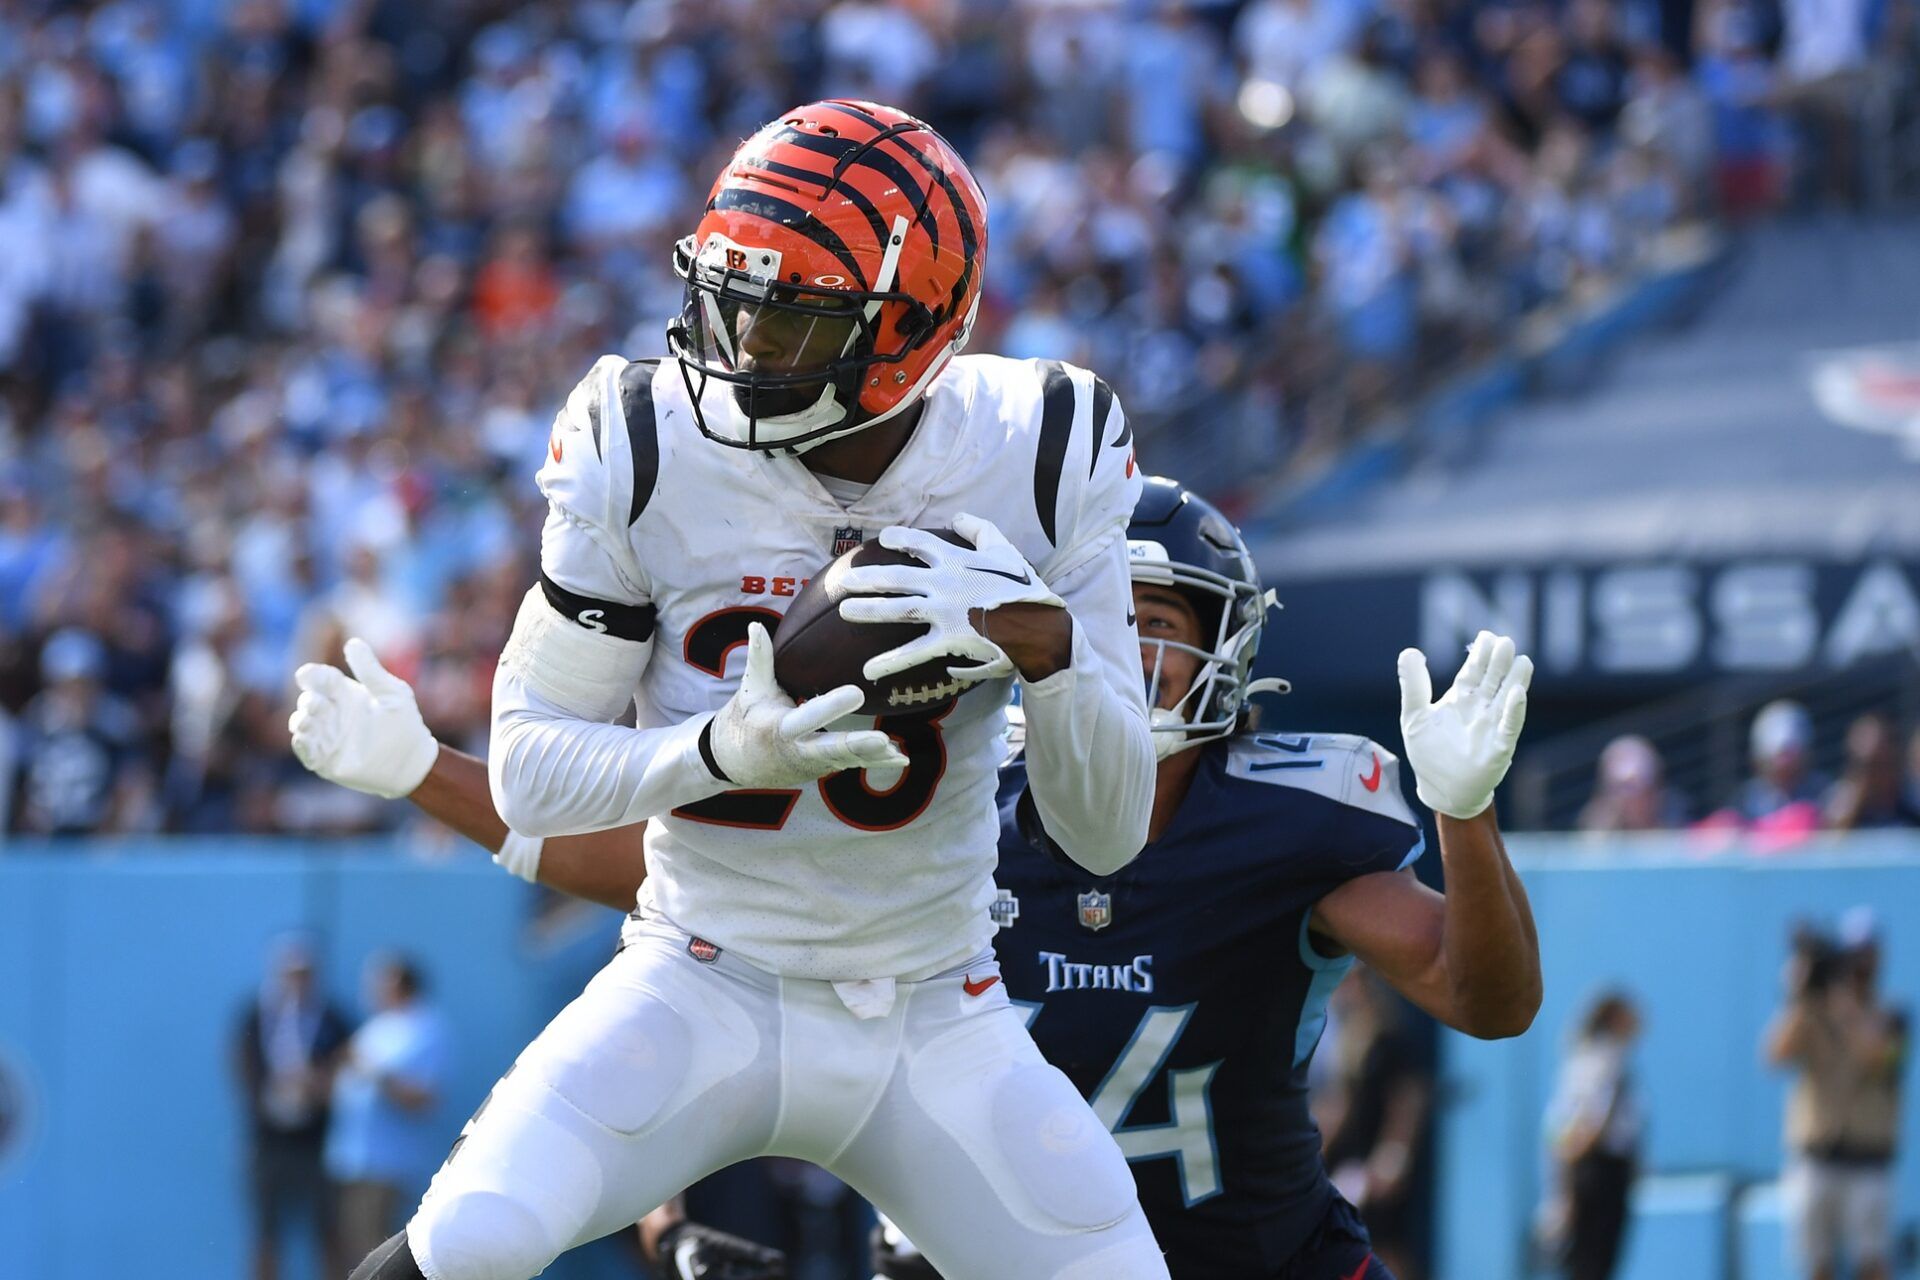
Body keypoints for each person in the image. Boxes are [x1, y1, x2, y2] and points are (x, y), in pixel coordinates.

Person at [297, 99, 1167, 1280]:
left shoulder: (1044, 447)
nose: (742, 348)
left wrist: (1045, 646)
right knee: (474, 1237)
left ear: (914, 330)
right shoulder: (646, 438)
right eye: (730, 300)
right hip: (699, 972)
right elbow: (533, 767)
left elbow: (1105, 834)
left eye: (793, 323)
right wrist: (719, 753)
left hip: (936, 1005)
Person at [294, 476, 1546, 1280]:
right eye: (1118, 617)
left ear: (1231, 644)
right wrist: (422, 768)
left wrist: (1469, 814)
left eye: (1169, 622)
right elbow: (665, 877)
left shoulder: (1286, 817)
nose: (1141, 652)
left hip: (1261, 1260)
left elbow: (1479, 996)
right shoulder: (949, 784)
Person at [1766, 910, 1907, 1280]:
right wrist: (1799, 997)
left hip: (1869, 1158)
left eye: (1867, 955)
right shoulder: (1812, 1013)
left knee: (1872, 1262)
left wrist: (1845, 1007)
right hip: (1817, 1156)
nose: (1860, 965)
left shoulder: (1892, 1014)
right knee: (1816, 1263)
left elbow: (1879, 1058)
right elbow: (1774, 1056)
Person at [235, 936, 351, 1280]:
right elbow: (243, 1066)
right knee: (266, 1232)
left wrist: (316, 1085)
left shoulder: (332, 1018)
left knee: (328, 1229)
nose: (298, 981)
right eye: (291, 973)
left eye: (305, 974)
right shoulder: (256, 1016)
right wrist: (270, 1095)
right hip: (268, 1138)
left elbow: (346, 1066)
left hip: (316, 1140)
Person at [326, 954, 453, 1270]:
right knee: (351, 1250)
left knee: (377, 1256)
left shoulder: (426, 1027)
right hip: (351, 1158)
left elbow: (423, 1098)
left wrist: (374, 1073)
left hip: (388, 1163)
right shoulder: (378, 1025)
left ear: (397, 983)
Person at [1543, 991, 1644, 1280]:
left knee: (1583, 1258)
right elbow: (1596, 1117)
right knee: (1596, 1258)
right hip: (1601, 1168)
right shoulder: (1608, 1060)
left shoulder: (1577, 1059)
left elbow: (1555, 1124)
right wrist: (1578, 1152)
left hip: (1584, 1166)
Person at [1822, 714, 1920, 830]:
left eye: (1880, 763)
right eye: (1863, 765)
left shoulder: (1913, 802)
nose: (1872, 774)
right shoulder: (1837, 805)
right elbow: (1830, 844)